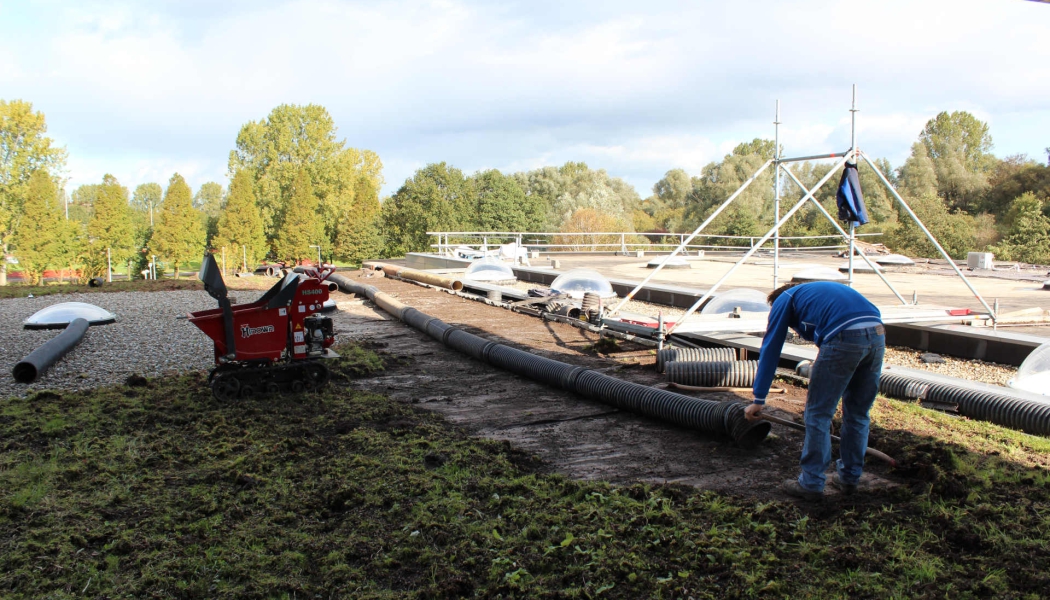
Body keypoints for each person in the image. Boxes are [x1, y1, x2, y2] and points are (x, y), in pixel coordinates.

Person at [744, 281, 885, 500]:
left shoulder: (785, 298)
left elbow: (771, 347)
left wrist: (759, 398)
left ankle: (811, 483)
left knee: (818, 414)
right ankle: (850, 478)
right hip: (877, 334)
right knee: (858, 414)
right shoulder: (820, 292)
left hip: (843, 336)